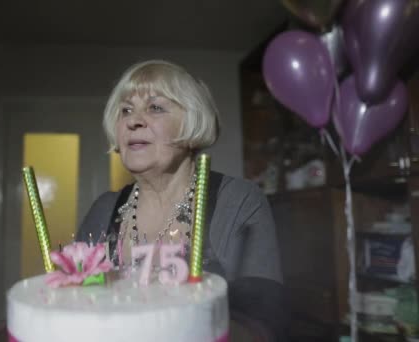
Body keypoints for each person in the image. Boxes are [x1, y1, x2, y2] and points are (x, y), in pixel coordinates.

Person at [77, 60, 288, 340]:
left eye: (155, 107)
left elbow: (261, 324)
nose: (133, 120)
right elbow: (73, 306)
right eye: (126, 110)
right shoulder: (104, 209)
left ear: (192, 120)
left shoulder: (238, 201)